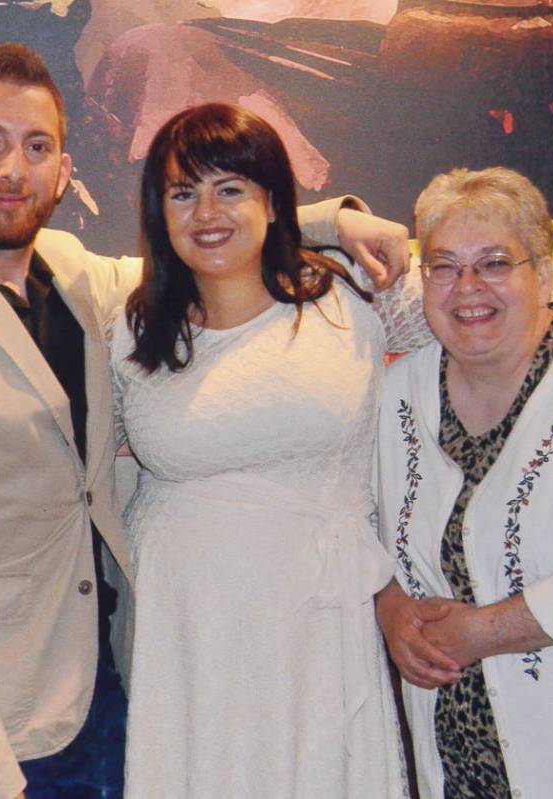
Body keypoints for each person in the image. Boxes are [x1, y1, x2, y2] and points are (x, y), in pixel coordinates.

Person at [0, 45, 410, 799]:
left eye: (36, 147)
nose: (11, 171)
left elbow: (203, 247)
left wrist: (329, 220)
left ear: (64, 174)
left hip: (105, 696)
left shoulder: (71, 271)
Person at [109, 102, 410, 797]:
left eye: (230, 188)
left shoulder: (351, 297)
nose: (206, 211)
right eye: (182, 192)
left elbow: (500, 303)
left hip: (315, 635)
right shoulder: (131, 329)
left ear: (273, 200)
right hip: (186, 643)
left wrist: (337, 220)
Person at [375, 167, 553, 799]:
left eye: (495, 263)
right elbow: (359, 528)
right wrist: (391, 609)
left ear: (546, 274)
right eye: (444, 267)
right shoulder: (397, 391)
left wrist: (481, 631)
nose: (467, 288)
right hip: (452, 759)